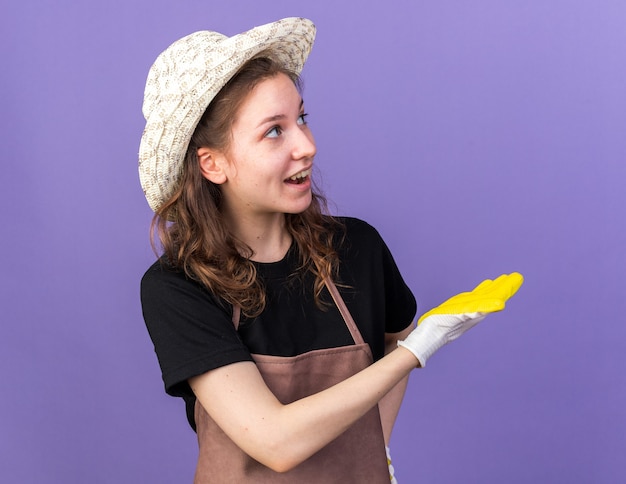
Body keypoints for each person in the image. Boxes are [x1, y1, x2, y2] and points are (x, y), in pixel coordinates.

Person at [138, 17, 523, 483]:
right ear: (213, 163)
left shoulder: (357, 248)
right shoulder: (178, 287)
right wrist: (419, 349)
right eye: (274, 131)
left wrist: (373, 450)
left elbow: (391, 338)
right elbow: (275, 442)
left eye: (301, 118)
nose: (307, 145)